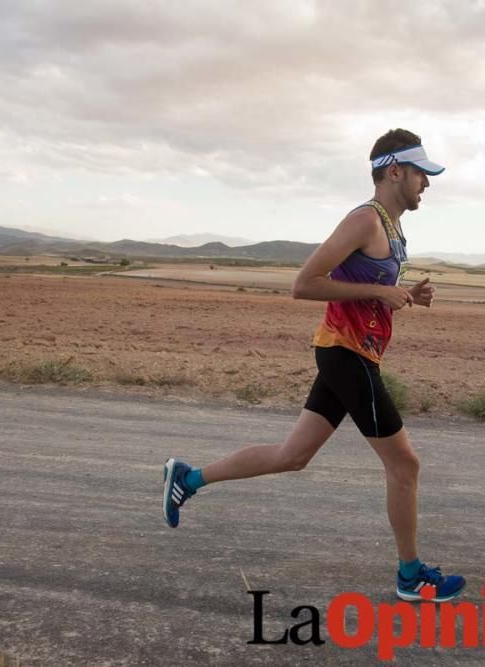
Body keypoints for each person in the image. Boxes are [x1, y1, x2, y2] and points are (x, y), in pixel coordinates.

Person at [162, 129, 466, 602]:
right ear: (394, 171)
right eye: (421, 174)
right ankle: (411, 577)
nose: (427, 183)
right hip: (346, 355)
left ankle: (188, 477)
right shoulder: (365, 220)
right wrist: (379, 292)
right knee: (405, 464)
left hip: (352, 352)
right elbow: (304, 284)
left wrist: (403, 295)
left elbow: (368, 289)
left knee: (293, 456)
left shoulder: (392, 227)